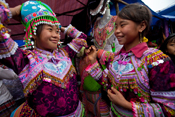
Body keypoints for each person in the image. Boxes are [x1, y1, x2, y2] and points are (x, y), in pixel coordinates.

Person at [83, 3, 175, 116]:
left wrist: (127, 105)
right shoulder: (116, 57)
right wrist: (92, 60)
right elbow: (106, 83)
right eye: (116, 26)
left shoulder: (157, 61)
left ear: (142, 26)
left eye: (122, 25)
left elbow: (169, 109)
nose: (116, 31)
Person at [0, 1, 88, 116]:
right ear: (34, 33)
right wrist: (14, 11)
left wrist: (62, 28)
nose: (56, 35)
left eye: (57, 31)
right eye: (50, 30)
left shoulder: (64, 53)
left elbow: (82, 38)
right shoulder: (25, 59)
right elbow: (2, 39)